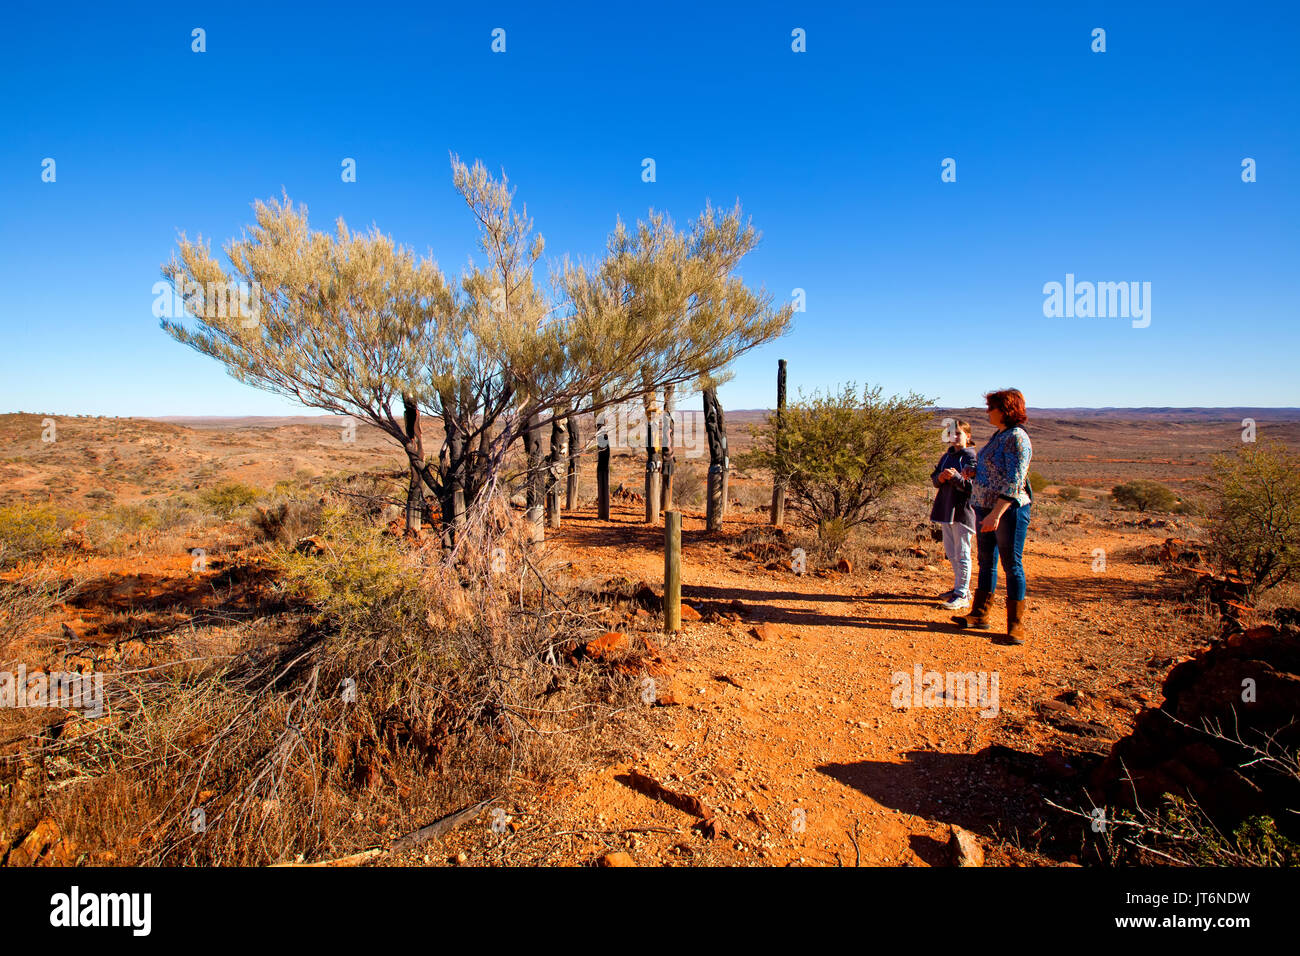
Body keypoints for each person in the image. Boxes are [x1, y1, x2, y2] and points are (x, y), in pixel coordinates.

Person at [953, 389, 1033, 645]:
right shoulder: (1000, 435)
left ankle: (1015, 626)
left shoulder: (1017, 438)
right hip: (984, 507)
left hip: (1007, 511)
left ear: (1006, 409)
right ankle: (980, 614)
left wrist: (997, 514)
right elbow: (994, 470)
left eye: (992, 407)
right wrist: (974, 472)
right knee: (986, 561)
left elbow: (1014, 481)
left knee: (1012, 565)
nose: (988, 412)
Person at [929, 420, 977, 611]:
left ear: (968, 436)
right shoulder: (946, 456)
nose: (954, 437)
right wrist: (940, 478)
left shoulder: (971, 458)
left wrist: (956, 477)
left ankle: (962, 593)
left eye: (958, 433)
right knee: (951, 553)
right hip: (946, 509)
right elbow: (935, 478)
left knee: (963, 553)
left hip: (963, 511)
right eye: (951, 433)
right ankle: (960, 588)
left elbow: (974, 487)